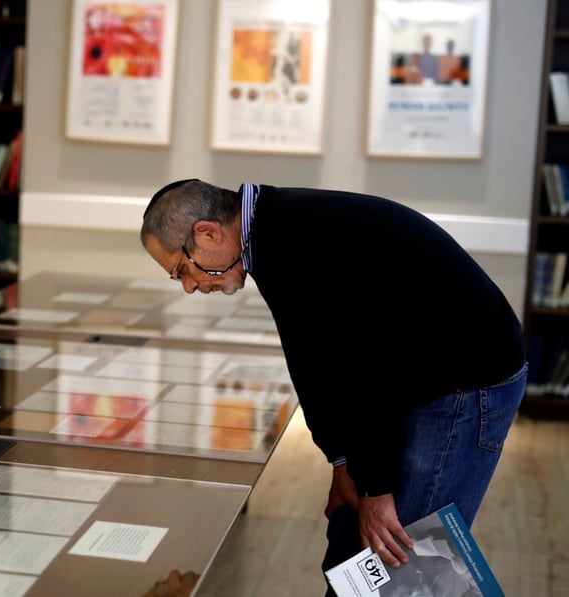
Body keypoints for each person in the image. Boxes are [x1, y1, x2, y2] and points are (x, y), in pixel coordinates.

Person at [139, 179, 525, 596]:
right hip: (416, 375)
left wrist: (375, 488)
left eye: (183, 269)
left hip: (465, 381)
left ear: (208, 233)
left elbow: (364, 370)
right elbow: (315, 363)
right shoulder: (270, 232)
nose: (190, 286)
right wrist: (343, 461)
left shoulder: (294, 237)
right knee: (352, 543)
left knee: (406, 564)